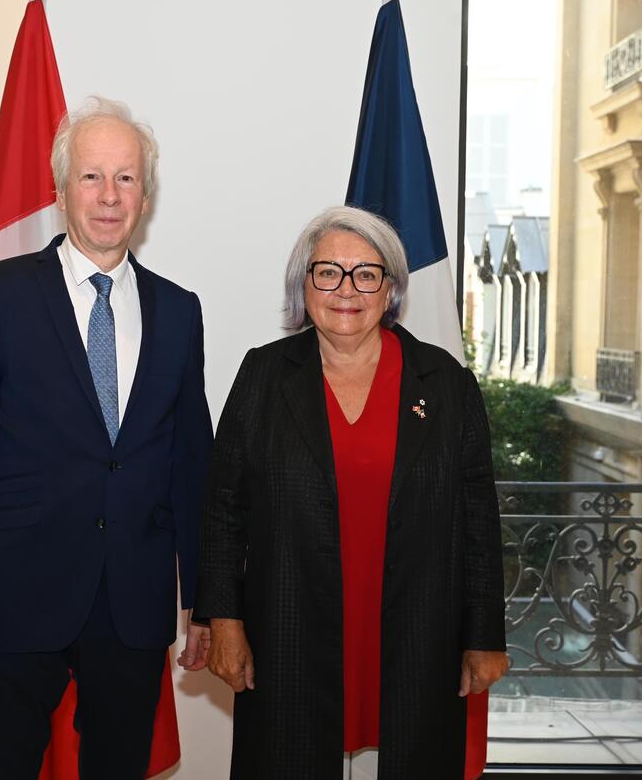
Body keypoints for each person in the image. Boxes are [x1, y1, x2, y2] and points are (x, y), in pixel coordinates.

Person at [0, 96, 213, 780]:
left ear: (145, 197)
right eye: (92, 176)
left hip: (133, 601)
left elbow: (191, 465)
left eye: (126, 178)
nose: (109, 196)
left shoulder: (179, 311)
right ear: (60, 191)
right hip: (13, 595)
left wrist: (205, 600)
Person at [194, 206, 508, 779]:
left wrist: (485, 635)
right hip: (289, 628)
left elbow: (479, 521)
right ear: (304, 285)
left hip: (419, 631)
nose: (346, 289)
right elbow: (223, 510)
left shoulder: (446, 383)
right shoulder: (263, 374)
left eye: (366, 274)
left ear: (390, 289)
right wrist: (224, 620)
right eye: (328, 272)